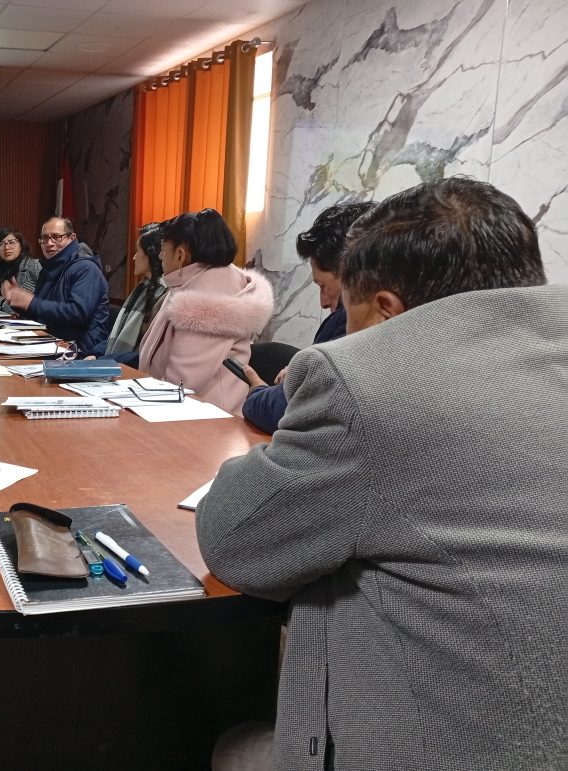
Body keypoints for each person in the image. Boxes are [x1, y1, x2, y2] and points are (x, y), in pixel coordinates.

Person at [197, 177, 567, 771]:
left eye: (349, 312)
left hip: (439, 748)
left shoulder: (370, 382)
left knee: (231, 747)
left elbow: (234, 539)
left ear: (389, 309)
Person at [241, 202, 376, 433]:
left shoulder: (350, 325)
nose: (323, 303)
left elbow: (291, 411)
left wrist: (258, 393)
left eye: (323, 286)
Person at [137, 208, 273, 413]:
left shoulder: (206, 299)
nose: (160, 256)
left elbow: (181, 384)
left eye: (163, 249)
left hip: (205, 420)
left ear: (180, 255)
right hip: (186, 412)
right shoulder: (193, 283)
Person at [1, 216, 109, 356]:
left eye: (57, 237)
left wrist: (31, 302)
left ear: (72, 238)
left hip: (81, 351)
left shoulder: (86, 268)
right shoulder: (49, 268)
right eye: (44, 238)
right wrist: (18, 302)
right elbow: (43, 313)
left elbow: (77, 314)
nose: (49, 243)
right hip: (51, 344)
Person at [103, 222, 168, 364]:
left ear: (151, 255)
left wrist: (102, 360)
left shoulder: (164, 294)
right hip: (116, 363)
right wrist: (95, 354)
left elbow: (142, 352)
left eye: (138, 251)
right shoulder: (143, 287)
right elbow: (116, 336)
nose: (133, 257)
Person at [0, 228, 41, 313]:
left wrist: (7, 303)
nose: (6, 247)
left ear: (21, 245)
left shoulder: (33, 265)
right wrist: (2, 302)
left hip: (29, 317)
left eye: (11, 242)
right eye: (1, 244)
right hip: (4, 316)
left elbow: (20, 301)